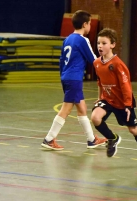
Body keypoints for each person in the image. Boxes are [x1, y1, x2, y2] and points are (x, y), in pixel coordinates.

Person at [41, 10, 107, 150]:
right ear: (85, 24)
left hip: (66, 77)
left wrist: (63, 76)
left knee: (82, 108)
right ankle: (49, 139)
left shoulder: (67, 39)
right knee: (66, 109)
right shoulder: (83, 40)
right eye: (89, 23)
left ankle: (91, 140)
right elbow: (94, 60)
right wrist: (107, 66)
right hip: (74, 79)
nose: (90, 26)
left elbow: (61, 61)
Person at [90, 28, 137, 171]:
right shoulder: (96, 63)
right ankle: (112, 138)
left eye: (104, 43)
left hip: (122, 102)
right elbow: (100, 82)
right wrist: (99, 97)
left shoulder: (118, 65)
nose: (100, 46)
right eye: (99, 43)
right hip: (107, 100)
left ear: (112, 45)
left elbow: (126, 86)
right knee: (95, 117)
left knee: (133, 129)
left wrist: (127, 105)